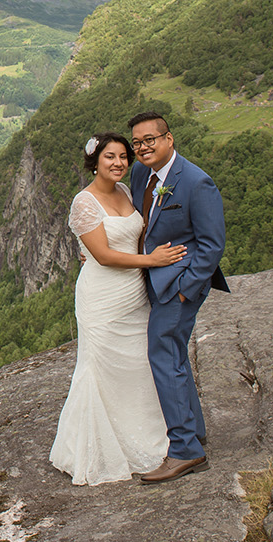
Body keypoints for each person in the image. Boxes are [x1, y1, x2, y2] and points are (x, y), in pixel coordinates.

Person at [50, 131, 188, 485]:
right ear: (95, 162)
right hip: (102, 296)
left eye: (124, 157)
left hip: (133, 293)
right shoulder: (84, 202)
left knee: (137, 364)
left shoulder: (126, 191)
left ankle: (147, 435)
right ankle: (100, 447)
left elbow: (134, 236)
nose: (119, 163)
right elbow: (104, 255)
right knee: (101, 367)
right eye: (110, 157)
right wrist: (153, 261)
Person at [127, 111, 229, 484]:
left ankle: (185, 450)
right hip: (152, 278)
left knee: (163, 355)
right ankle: (195, 431)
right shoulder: (141, 173)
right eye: (137, 142)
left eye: (150, 140)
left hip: (180, 286)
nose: (143, 148)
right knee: (174, 355)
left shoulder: (197, 182)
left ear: (169, 139)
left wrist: (187, 290)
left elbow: (212, 244)